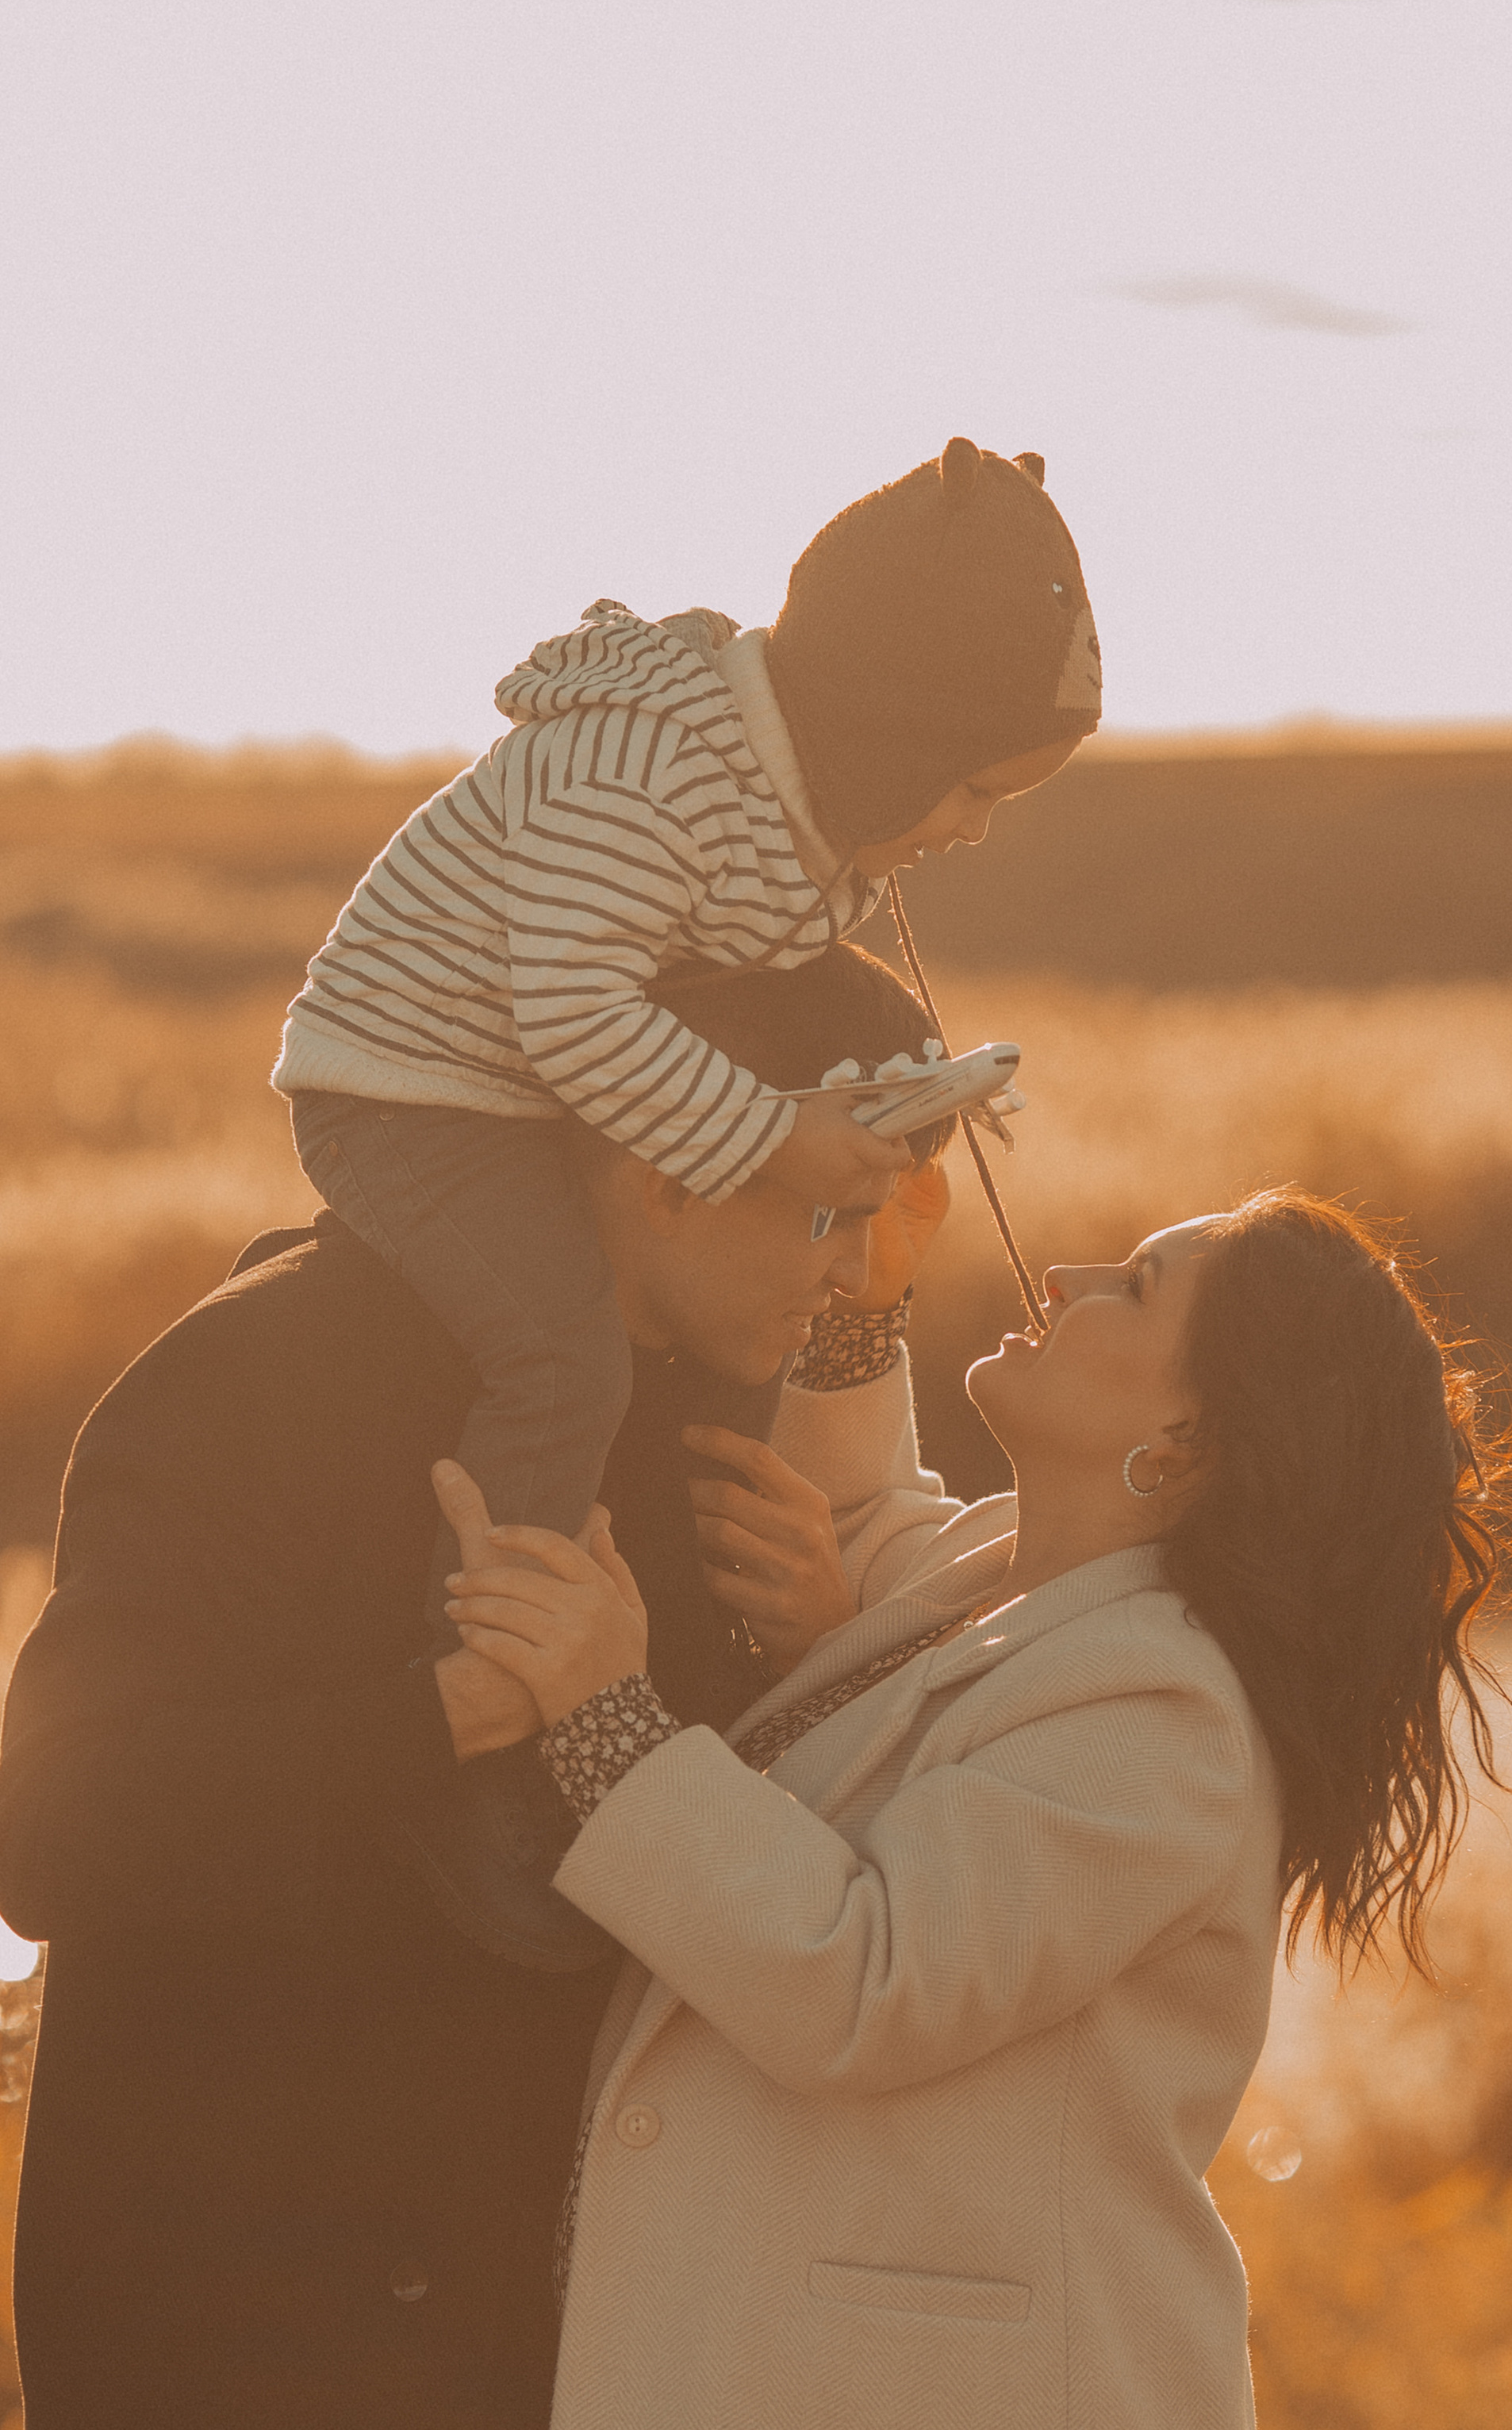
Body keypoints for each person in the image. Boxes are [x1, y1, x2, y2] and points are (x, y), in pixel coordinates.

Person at [0, 941, 963, 2430]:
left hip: (544, 2353)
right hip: (260, 2335)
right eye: (827, 1213)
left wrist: (816, 1654)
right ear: (663, 1165)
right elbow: (53, 1828)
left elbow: (706, 1894)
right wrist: (458, 1700)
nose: (849, 1279)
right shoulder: (262, 1370)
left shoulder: (703, 1431)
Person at [439, 1188, 1512, 2430]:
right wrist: (858, 1297)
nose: (1073, 1268)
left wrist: (600, 1714)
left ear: (1181, 1433)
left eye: (1137, 1286)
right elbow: (866, 1509)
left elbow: (862, 1972)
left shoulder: (1165, 1716)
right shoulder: (1003, 1590)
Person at [274, 436, 1099, 1661]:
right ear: (895, 731)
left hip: (521, 1081)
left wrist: (898, 1088)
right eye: (972, 791)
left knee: (698, 1345)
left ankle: (689, 1646)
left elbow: (734, 1004)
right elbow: (574, 1012)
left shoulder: (780, 800)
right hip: (411, 1089)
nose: (974, 834)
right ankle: (490, 1668)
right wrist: (773, 1134)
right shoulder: (648, 779)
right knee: (563, 1359)